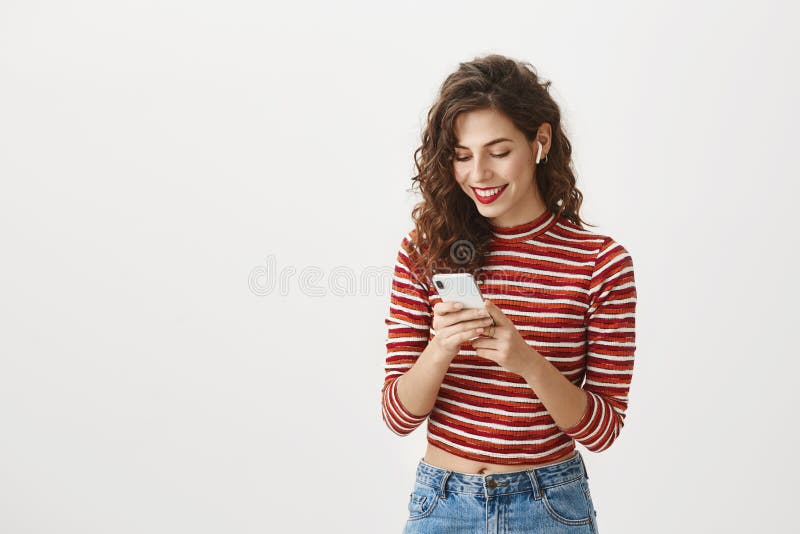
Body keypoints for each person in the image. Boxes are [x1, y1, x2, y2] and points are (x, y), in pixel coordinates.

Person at [381, 54, 637, 533]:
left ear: (540, 141)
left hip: (549, 507)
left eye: (498, 152)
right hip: (442, 506)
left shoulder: (601, 263)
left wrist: (526, 361)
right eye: (462, 155)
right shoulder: (426, 250)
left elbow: (603, 430)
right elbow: (397, 416)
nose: (479, 173)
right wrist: (440, 349)